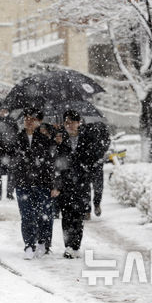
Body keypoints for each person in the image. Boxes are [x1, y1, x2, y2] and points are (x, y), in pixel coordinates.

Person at [11, 107, 57, 259]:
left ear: (39, 122)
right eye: (26, 119)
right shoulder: (17, 138)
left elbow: (52, 164)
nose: (28, 122)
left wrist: (54, 184)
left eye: (32, 119)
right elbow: (7, 151)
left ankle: (43, 243)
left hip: (42, 183)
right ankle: (29, 245)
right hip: (23, 183)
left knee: (43, 215)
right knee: (26, 215)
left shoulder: (46, 140)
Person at [54, 109, 98, 259]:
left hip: (81, 183)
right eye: (66, 122)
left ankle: (76, 245)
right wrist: (58, 144)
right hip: (65, 184)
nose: (69, 125)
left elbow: (92, 157)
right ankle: (68, 247)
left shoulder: (87, 138)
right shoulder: (60, 138)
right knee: (66, 216)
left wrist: (84, 167)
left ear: (79, 123)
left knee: (78, 217)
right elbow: (55, 160)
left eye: (72, 122)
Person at [82, 121, 111, 218]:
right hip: (87, 163)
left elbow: (107, 140)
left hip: (96, 162)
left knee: (96, 187)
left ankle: (95, 205)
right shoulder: (82, 130)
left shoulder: (100, 127)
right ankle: (88, 210)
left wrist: (102, 151)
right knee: (87, 188)